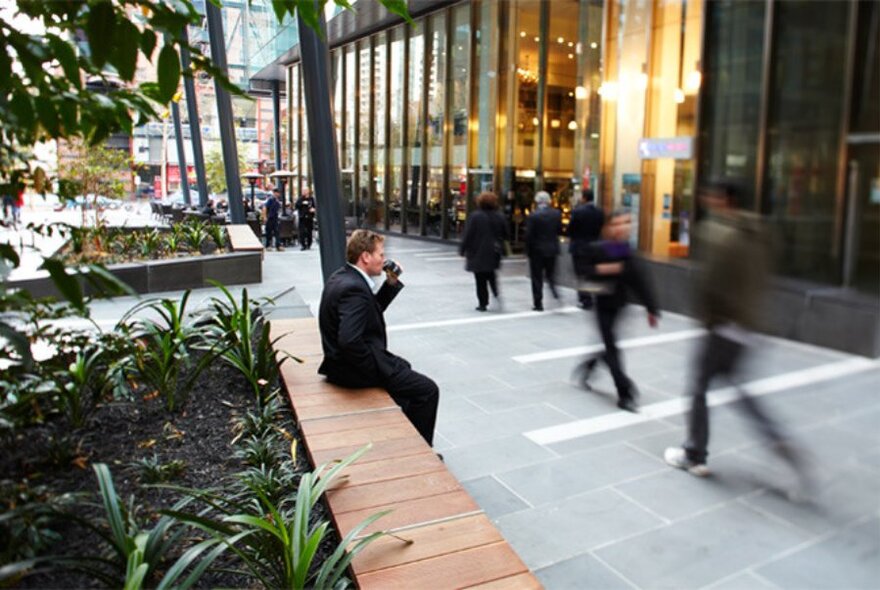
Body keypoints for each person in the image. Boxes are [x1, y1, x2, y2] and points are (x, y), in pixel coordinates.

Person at [664, 181, 810, 486]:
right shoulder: (761, 232)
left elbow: (709, 285)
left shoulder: (718, 234)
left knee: (699, 387)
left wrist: (707, 319)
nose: (706, 199)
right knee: (737, 388)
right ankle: (778, 441)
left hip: (724, 325)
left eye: (711, 195)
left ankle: (694, 454)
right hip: (752, 325)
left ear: (723, 199)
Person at [318, 230, 440, 445]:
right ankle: (419, 450)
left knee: (406, 370)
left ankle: (406, 435)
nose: (384, 260)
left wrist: (390, 283)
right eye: (381, 255)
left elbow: (368, 311)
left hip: (341, 363)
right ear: (365, 256)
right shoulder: (354, 289)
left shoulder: (344, 277)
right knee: (427, 390)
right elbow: (349, 341)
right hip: (348, 370)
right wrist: (377, 370)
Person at [576, 210, 659, 412]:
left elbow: (639, 281)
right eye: (617, 224)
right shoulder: (596, 248)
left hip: (620, 305)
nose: (623, 227)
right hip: (602, 304)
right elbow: (582, 271)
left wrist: (651, 308)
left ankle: (587, 367)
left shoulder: (626, 251)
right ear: (608, 228)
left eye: (626, 223)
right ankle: (625, 392)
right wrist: (606, 269)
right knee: (611, 348)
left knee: (609, 346)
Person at [459, 191, 508, 312]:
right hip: (493, 251)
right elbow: (506, 234)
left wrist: (462, 249)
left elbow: (468, 234)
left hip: (477, 251)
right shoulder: (499, 216)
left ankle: (483, 303)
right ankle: (496, 295)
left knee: (480, 279)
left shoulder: (475, 216)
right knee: (491, 275)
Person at [567, 188, 606, 309]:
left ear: (584, 197)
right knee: (591, 273)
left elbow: (570, 229)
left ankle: (585, 299)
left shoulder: (578, 211)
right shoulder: (599, 211)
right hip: (595, 246)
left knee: (581, 274)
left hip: (580, 247)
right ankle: (592, 297)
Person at [525, 191, 562, 311]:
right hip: (552, 249)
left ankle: (538, 303)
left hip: (537, 250)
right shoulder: (556, 214)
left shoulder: (533, 215)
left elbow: (529, 235)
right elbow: (559, 230)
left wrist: (527, 251)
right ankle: (554, 291)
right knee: (550, 274)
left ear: (537, 201)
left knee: (537, 277)